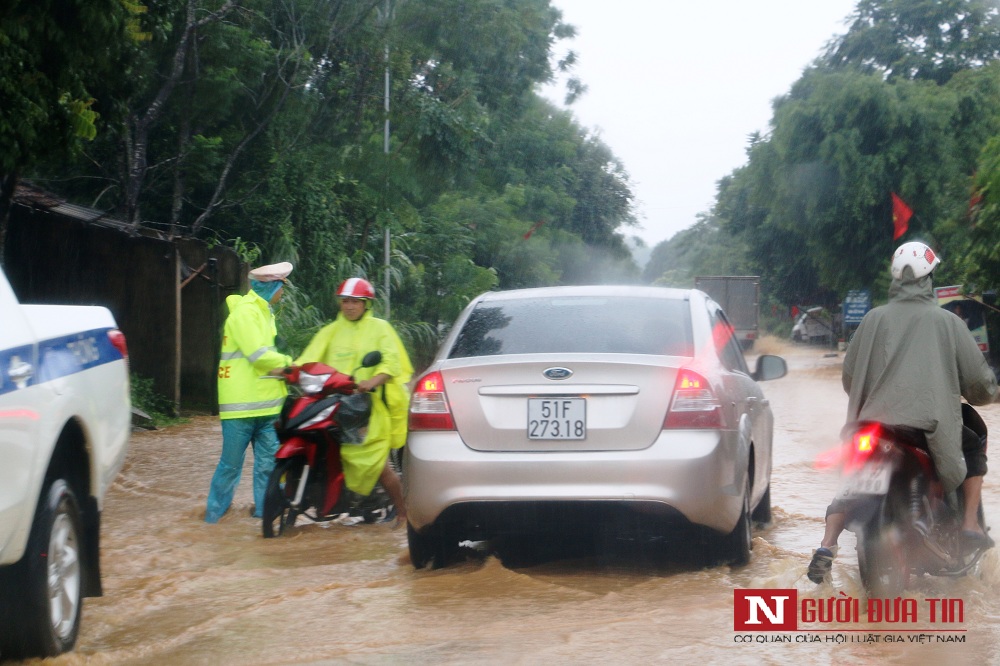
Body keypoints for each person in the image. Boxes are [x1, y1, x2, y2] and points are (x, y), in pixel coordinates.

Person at [807, 242, 998, 583]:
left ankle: (827, 543)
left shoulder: (872, 319)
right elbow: (979, 385)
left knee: (851, 481)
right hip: (927, 427)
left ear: (895, 277)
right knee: (971, 445)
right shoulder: (948, 323)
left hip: (871, 426)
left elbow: (851, 379)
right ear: (930, 276)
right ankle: (968, 524)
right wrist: (986, 392)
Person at [295, 277, 413, 525]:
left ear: (366, 304)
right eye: (345, 301)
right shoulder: (330, 331)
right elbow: (309, 358)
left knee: (377, 464)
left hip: (369, 406)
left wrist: (373, 381)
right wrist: (290, 372)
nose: (349, 306)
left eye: (355, 302)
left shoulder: (380, 329)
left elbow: (391, 362)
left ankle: (404, 512)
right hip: (335, 402)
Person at [205, 261, 294, 523]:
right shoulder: (245, 313)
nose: (283, 292)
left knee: (269, 467)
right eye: (282, 287)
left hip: (268, 406)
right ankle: (213, 518)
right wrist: (291, 365)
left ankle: (266, 518)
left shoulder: (265, 312)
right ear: (273, 286)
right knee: (230, 466)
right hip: (241, 407)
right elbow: (258, 355)